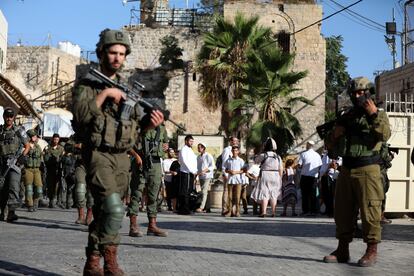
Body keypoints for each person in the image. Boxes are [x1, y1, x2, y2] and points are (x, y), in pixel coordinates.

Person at [72, 28, 164, 275]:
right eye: (113, 52)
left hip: (121, 158)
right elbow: (80, 117)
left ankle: (93, 260)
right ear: (102, 52)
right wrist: (105, 94)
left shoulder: (128, 89)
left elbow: (133, 131)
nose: (117, 58)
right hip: (97, 155)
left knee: (106, 212)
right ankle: (110, 262)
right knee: (113, 208)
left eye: (122, 54)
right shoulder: (87, 85)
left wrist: (149, 124)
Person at [323, 76, 391, 267]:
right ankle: (342, 249)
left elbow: (384, 134)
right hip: (347, 168)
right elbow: (330, 145)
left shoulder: (379, 114)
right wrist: (334, 135)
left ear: (369, 93)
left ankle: (371, 250)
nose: (357, 96)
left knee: (370, 210)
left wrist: (373, 114)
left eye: (361, 92)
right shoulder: (346, 116)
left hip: (368, 169)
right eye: (354, 93)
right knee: (343, 211)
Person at [127, 121, 169, 237]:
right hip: (140, 162)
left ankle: (152, 226)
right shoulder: (138, 126)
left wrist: (165, 146)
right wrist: (136, 156)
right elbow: (126, 144)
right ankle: (133, 226)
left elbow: (165, 143)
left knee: (153, 196)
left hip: (155, 164)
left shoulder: (161, 129)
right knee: (136, 194)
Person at [0, 107, 30, 222]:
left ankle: (11, 212)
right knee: (2, 189)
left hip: (14, 163)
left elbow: (27, 146)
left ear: (14, 118)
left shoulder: (18, 130)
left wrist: (22, 157)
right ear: (4, 117)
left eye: (11, 116)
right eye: (7, 116)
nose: (9, 118)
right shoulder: (0, 130)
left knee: (13, 187)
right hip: (2, 163)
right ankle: (3, 212)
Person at [250, 137, 283, 217]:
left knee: (265, 194)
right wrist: (280, 178)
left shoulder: (264, 155)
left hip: (265, 174)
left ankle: (263, 212)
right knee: (273, 195)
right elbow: (281, 168)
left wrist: (261, 151)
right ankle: (273, 212)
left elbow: (255, 160)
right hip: (275, 175)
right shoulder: (278, 156)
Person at [297, 140, 322, 216]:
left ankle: (306, 211)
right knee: (313, 194)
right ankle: (313, 211)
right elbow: (320, 166)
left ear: (307, 145)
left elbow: (299, 165)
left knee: (305, 194)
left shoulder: (303, 154)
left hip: (305, 177)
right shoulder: (317, 155)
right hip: (314, 177)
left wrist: (302, 169)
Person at [24, 129, 44, 212]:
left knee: (39, 189)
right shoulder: (25, 146)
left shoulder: (38, 146)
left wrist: (43, 165)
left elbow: (41, 157)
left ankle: (35, 203)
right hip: (28, 169)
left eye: (35, 136)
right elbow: (22, 156)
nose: (35, 137)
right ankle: (30, 205)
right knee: (29, 188)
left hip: (37, 169)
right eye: (33, 136)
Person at [177, 135, 197, 215]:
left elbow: (193, 161)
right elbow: (185, 161)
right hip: (186, 172)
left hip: (191, 172)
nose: (191, 143)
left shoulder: (190, 150)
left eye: (192, 141)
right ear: (186, 141)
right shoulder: (184, 149)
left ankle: (187, 208)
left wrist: (195, 170)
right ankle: (183, 209)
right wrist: (192, 170)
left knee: (189, 191)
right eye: (190, 141)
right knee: (184, 191)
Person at [223, 146, 245, 217]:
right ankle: (229, 211)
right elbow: (225, 169)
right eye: (233, 151)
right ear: (231, 152)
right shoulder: (228, 160)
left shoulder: (241, 160)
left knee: (237, 197)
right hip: (230, 180)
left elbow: (244, 170)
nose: (234, 152)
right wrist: (229, 171)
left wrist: (236, 172)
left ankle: (237, 211)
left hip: (238, 180)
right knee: (230, 197)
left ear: (238, 152)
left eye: (236, 151)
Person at [44, 133, 64, 208]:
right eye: (55, 139)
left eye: (57, 139)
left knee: (58, 186)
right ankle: (51, 200)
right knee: (50, 186)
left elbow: (63, 158)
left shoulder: (61, 148)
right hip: (50, 170)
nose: (56, 141)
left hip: (58, 169)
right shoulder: (48, 148)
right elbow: (46, 159)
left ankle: (57, 200)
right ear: (52, 139)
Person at [220, 136, 239, 216]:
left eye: (237, 141)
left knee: (234, 193)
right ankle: (225, 209)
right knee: (226, 191)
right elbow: (224, 163)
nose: (235, 142)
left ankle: (232, 210)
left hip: (235, 176)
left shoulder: (236, 150)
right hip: (228, 174)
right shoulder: (227, 150)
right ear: (230, 141)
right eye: (234, 141)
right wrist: (225, 174)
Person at [196, 142, 214, 213]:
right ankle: (208, 207)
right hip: (201, 176)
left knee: (204, 191)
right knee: (205, 192)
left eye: (200, 147)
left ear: (203, 148)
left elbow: (212, 166)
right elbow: (197, 167)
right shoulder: (198, 157)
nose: (198, 149)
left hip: (207, 176)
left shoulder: (208, 155)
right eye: (198, 147)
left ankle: (202, 207)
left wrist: (205, 170)